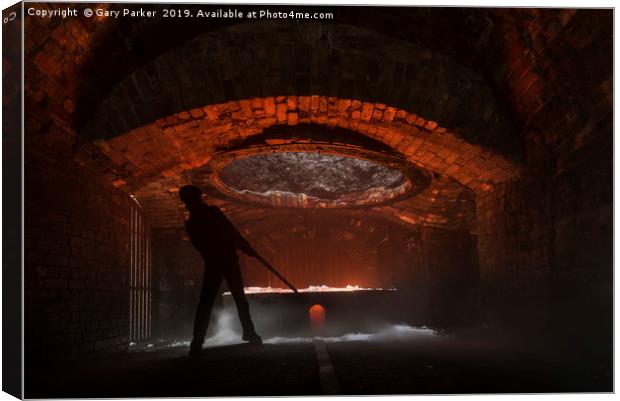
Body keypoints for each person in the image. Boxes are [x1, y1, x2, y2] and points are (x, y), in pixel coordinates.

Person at [178, 184, 262, 357]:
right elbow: (232, 233)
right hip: (226, 261)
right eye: (199, 198)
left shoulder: (191, 224)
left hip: (214, 263)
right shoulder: (211, 214)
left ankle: (197, 342)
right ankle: (249, 333)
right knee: (238, 299)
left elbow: (208, 244)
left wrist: (243, 247)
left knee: (207, 303)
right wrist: (245, 247)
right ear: (195, 200)